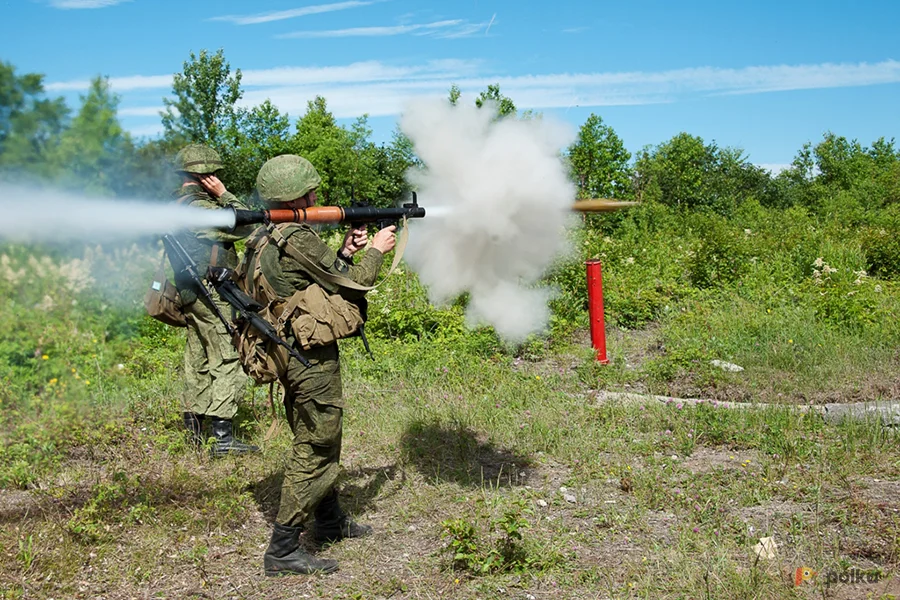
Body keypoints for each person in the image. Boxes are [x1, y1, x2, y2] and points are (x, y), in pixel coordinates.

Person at [244, 154, 396, 576]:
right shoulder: (297, 234)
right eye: (312, 192)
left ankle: (329, 520)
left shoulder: (265, 234)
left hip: (285, 349)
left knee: (317, 434)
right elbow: (356, 283)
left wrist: (344, 251)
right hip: (306, 355)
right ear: (301, 195)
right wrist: (378, 252)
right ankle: (283, 548)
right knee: (318, 443)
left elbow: (305, 279)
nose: (318, 198)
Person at [171, 144, 258, 456]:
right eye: (215, 174)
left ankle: (194, 432)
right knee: (225, 357)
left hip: (190, 294)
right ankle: (222, 437)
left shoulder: (175, 204)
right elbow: (250, 223)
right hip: (212, 294)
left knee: (196, 358)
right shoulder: (204, 211)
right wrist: (225, 194)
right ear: (206, 175)